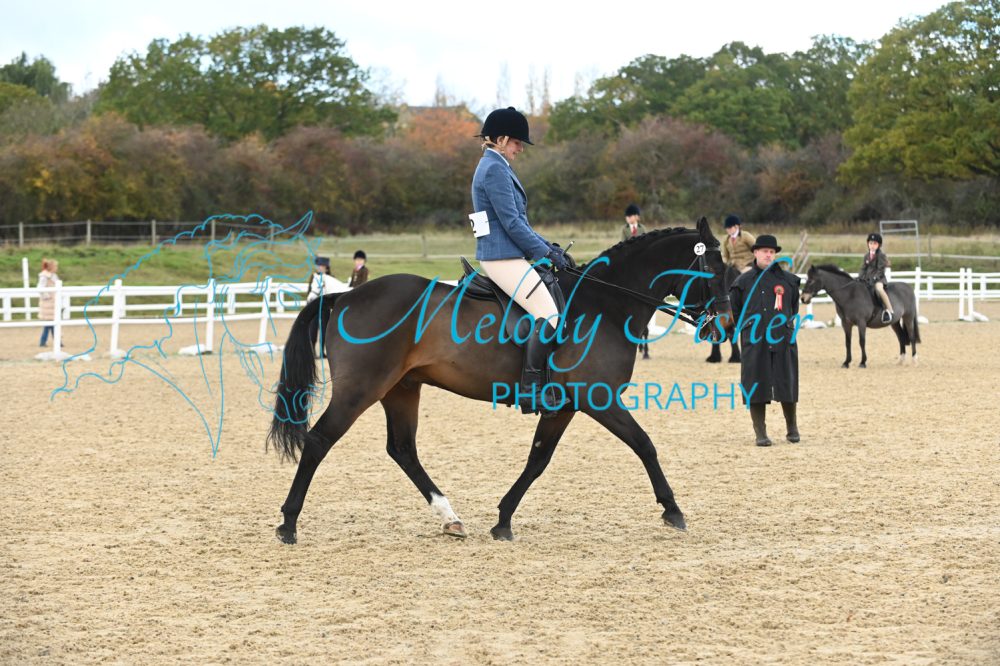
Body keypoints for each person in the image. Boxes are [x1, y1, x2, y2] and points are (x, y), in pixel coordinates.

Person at [471, 106, 570, 416]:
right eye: (516, 142)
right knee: (549, 316)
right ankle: (531, 391)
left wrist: (549, 247)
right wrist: (544, 253)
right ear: (501, 139)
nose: (520, 149)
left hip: (505, 253)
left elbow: (519, 223)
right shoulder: (494, 169)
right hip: (501, 257)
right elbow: (512, 224)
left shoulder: (495, 164)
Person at [729, 235, 801, 447]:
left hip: (783, 338)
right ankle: (760, 432)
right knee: (755, 383)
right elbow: (736, 312)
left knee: (787, 381)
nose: (768, 255)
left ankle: (792, 428)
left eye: (772, 252)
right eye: (764, 251)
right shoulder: (742, 283)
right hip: (754, 341)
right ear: (755, 253)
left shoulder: (789, 281)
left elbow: (793, 308)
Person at [859, 232, 893, 324]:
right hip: (868, 279)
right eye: (871, 243)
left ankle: (888, 310)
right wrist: (860, 277)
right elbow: (863, 268)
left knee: (879, 289)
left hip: (879, 279)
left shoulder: (881, 255)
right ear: (868, 244)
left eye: (875, 244)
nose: (872, 246)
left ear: (879, 245)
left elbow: (880, 270)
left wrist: (874, 278)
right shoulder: (866, 256)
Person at [307, 257, 334, 356]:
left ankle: (322, 351)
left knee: (324, 329)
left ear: (326, 267)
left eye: (322, 266)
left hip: (325, 307)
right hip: (315, 306)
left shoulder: (330, 278)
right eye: (319, 266)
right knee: (313, 328)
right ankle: (312, 350)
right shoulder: (314, 277)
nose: (319, 268)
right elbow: (310, 290)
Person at [37, 258, 59, 346]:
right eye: (55, 266)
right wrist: (48, 296)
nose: (57, 268)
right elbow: (40, 288)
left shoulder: (53, 276)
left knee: (52, 323)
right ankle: (52, 341)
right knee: (50, 324)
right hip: (48, 304)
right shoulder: (45, 276)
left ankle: (55, 341)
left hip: (53, 303)